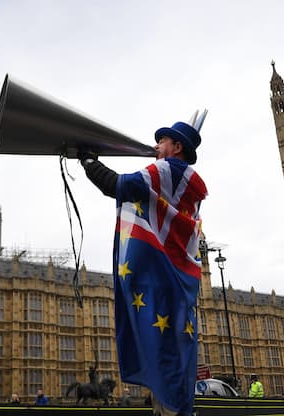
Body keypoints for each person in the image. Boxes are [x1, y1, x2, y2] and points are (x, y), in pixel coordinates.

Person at [79, 114, 207, 416]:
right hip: (180, 283)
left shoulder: (167, 170)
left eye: (161, 141)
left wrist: (87, 160)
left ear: (176, 147)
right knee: (173, 350)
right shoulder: (191, 188)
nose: (155, 146)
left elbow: (117, 185)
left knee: (159, 347)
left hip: (160, 276)